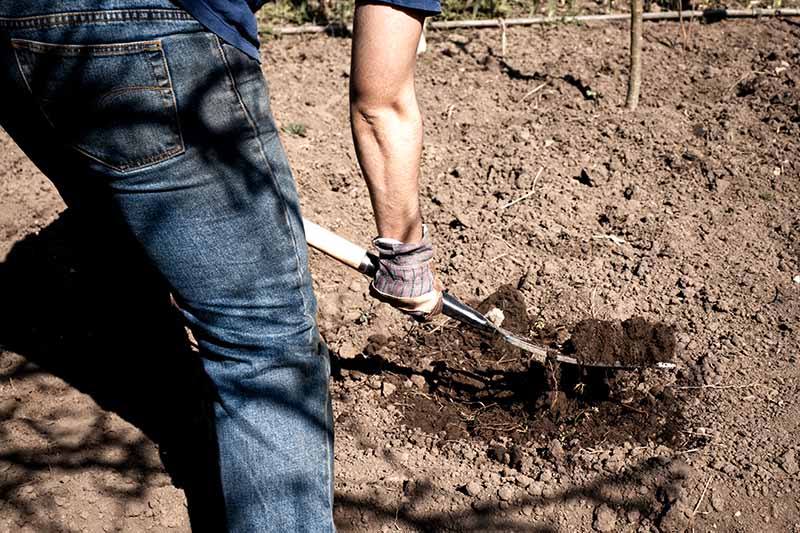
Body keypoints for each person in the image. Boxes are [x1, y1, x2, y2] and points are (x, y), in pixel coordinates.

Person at [0, 0, 441, 530]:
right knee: (264, 344)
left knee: (122, 225)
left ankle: (185, 418)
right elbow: (382, 103)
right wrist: (405, 253)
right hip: (140, 41)